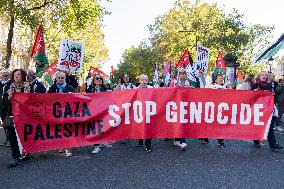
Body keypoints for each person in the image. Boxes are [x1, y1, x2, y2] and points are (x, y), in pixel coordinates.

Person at [2, 69, 30, 167]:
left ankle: (26, 153)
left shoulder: (27, 87)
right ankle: (15, 157)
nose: (16, 76)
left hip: (24, 117)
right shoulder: (8, 88)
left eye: (18, 74)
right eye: (15, 75)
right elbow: (3, 104)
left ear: (23, 76)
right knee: (12, 137)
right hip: (12, 117)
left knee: (25, 137)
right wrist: (8, 97)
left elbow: (33, 102)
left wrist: (28, 93)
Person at [252, 71, 283, 151]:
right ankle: (256, 140)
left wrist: (273, 94)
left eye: (265, 75)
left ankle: (272, 144)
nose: (264, 76)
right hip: (258, 109)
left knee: (270, 126)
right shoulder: (255, 85)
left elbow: (273, 96)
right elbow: (250, 97)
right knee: (257, 126)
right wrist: (254, 92)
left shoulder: (269, 85)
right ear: (259, 76)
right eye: (262, 75)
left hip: (268, 109)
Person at [48, 71, 75, 156]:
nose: (60, 79)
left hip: (67, 112)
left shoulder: (70, 87)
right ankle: (62, 145)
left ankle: (68, 148)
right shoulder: (52, 88)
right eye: (58, 78)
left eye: (62, 78)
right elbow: (46, 98)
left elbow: (76, 98)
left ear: (65, 78)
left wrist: (72, 95)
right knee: (59, 130)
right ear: (56, 79)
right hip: (57, 113)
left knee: (68, 130)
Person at [202, 74, 226, 147]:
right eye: (219, 78)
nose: (221, 79)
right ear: (215, 80)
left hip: (220, 109)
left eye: (222, 78)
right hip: (212, 109)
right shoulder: (211, 87)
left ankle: (220, 142)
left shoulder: (224, 87)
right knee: (209, 124)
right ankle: (205, 138)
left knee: (220, 126)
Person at [170, 69, 188, 151]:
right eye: (181, 73)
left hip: (185, 104)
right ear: (178, 74)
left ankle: (180, 141)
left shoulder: (188, 83)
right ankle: (180, 141)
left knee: (182, 122)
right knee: (178, 122)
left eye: (184, 73)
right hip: (175, 105)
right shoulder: (174, 82)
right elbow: (169, 91)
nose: (183, 75)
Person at [137, 74, 153, 153]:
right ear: (139, 81)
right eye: (142, 79)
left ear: (147, 81)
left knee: (148, 127)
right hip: (139, 111)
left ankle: (148, 144)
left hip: (148, 111)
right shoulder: (135, 89)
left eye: (145, 79)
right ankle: (140, 139)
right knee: (140, 126)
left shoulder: (151, 88)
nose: (144, 81)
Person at [0, 69, 11, 147]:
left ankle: (9, 140)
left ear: (9, 75)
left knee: (9, 123)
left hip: (9, 107)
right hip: (1, 106)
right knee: (4, 123)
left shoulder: (11, 84)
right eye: (3, 75)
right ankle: (7, 139)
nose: (4, 76)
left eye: (6, 75)